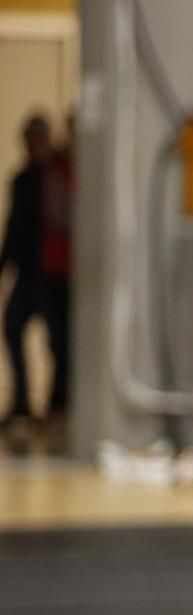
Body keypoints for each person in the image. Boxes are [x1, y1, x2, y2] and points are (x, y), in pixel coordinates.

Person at [1, 112, 70, 424]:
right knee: (13, 328)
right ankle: (22, 402)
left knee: (58, 341)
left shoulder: (59, 175)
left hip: (54, 273)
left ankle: (59, 403)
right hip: (30, 272)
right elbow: (14, 228)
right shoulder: (22, 179)